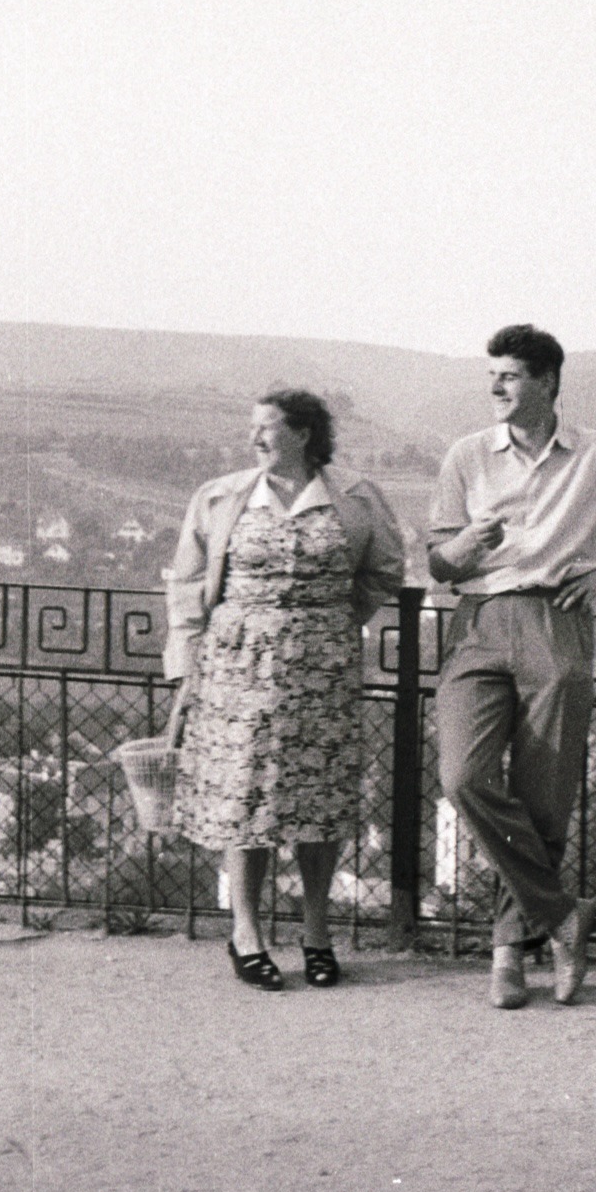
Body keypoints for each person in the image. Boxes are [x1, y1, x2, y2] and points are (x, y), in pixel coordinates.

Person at [429, 324, 596, 1009]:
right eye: (492, 375)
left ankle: (508, 952)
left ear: (546, 382)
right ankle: (566, 917)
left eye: (509, 375)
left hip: (555, 620)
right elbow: (437, 563)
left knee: (544, 801)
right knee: (463, 776)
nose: (495, 387)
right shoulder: (466, 455)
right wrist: (465, 545)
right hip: (477, 623)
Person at [164, 389, 405, 991]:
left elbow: (385, 568)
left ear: (302, 433)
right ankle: (247, 934)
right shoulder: (221, 496)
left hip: (323, 668)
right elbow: (188, 583)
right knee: (246, 799)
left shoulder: (354, 494)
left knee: (318, 799)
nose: (254, 439)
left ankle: (317, 933)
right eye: (253, 428)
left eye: (266, 428)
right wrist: (186, 662)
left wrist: (334, 619)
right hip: (236, 669)